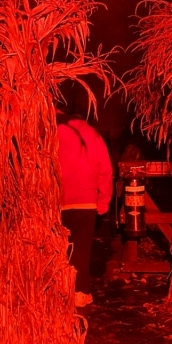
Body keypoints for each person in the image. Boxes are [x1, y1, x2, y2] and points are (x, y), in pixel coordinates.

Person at [56, 101, 112, 305]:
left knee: (58, 248)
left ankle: (58, 292)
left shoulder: (49, 132)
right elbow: (104, 168)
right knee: (81, 249)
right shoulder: (91, 134)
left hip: (56, 201)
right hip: (85, 201)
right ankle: (79, 292)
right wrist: (103, 201)